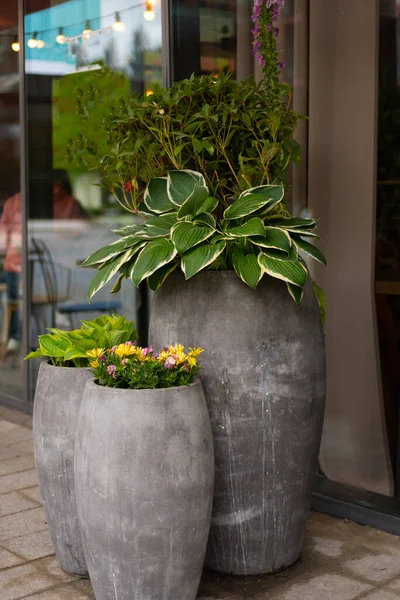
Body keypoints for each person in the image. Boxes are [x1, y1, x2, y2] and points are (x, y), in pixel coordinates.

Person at [0, 170, 88, 353]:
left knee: (20, 304)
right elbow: (83, 232)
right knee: (42, 306)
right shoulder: (69, 202)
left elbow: (3, 240)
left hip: (18, 265)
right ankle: (44, 339)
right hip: (53, 267)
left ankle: (18, 337)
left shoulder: (15, 201)